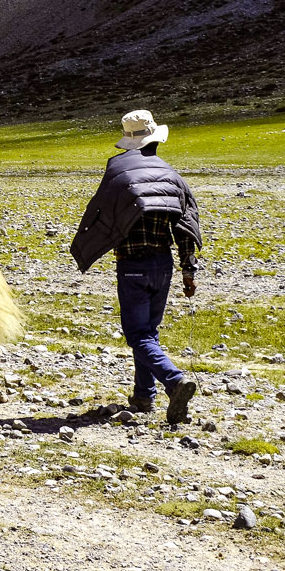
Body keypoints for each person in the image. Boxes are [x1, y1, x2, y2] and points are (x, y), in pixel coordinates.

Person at [70, 109, 203, 425]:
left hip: (132, 265)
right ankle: (144, 395)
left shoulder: (120, 175)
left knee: (137, 335)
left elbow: (101, 212)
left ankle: (174, 380)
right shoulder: (172, 176)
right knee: (149, 332)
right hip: (163, 264)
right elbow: (185, 225)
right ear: (155, 141)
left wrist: (87, 248)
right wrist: (188, 270)